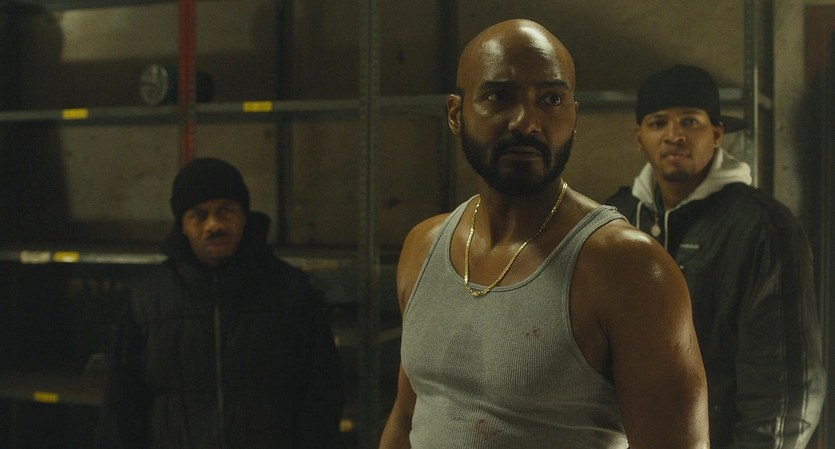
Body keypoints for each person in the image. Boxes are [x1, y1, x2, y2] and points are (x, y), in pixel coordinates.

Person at [379, 19, 710, 449]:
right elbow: (406, 417)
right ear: (456, 114)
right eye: (499, 97)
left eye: (551, 99)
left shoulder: (629, 268)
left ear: (573, 115)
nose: (527, 122)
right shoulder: (423, 247)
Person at [606, 64, 826, 449]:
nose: (674, 135)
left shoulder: (764, 227)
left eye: (690, 121)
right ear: (640, 137)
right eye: (658, 123)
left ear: (718, 134)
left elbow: (786, 386)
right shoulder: (615, 221)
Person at [95, 157, 345, 449]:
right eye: (199, 215)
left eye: (225, 210)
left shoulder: (291, 293)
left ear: (244, 216)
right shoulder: (147, 300)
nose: (214, 224)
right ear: (182, 225)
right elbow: (121, 407)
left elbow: (322, 398)